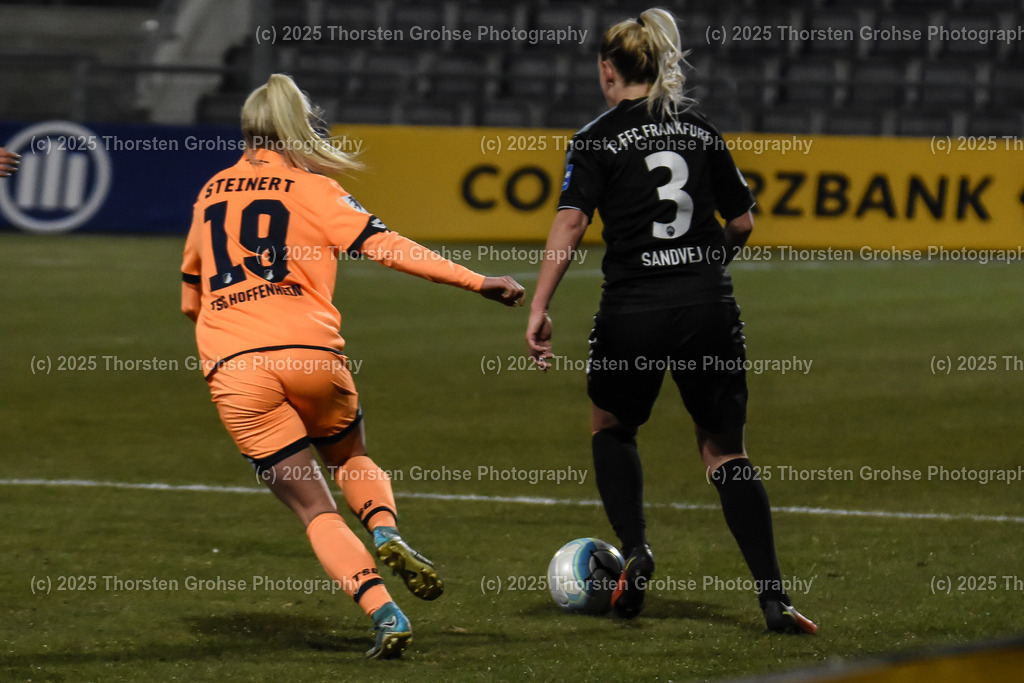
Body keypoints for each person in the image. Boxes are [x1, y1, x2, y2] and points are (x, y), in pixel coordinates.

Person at [181, 74, 525, 659]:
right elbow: (388, 246)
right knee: (350, 455)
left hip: (236, 367)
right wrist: (478, 281)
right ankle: (386, 528)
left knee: (315, 511)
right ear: (299, 125)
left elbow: (191, 297)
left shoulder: (212, 191)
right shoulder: (315, 189)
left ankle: (385, 615)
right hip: (311, 355)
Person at [525, 9, 816, 634]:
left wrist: (541, 304)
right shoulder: (700, 128)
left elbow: (571, 222)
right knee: (725, 451)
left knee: (612, 425)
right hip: (708, 308)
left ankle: (635, 549)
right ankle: (774, 599)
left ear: (608, 71)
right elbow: (742, 222)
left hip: (632, 310)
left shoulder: (596, 136)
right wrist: (705, 268)